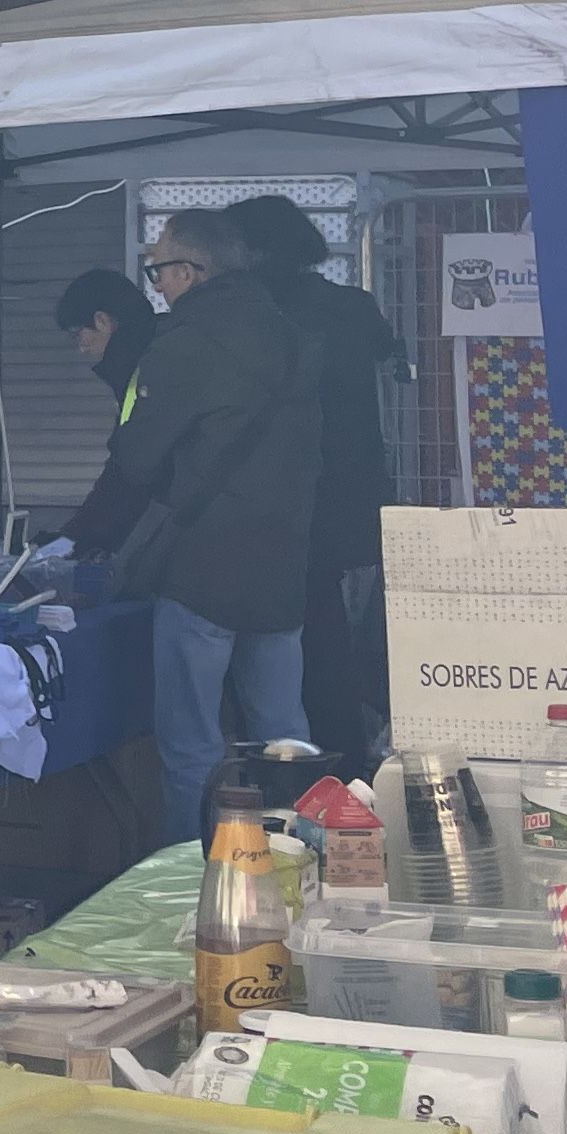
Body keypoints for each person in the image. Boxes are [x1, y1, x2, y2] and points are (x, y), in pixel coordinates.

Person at [61, 207, 320, 835]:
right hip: (284, 563)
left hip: (203, 566)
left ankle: (188, 884)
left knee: (191, 749)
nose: (157, 286)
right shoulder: (293, 336)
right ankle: (306, 866)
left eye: (158, 271)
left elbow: (137, 456)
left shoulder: (180, 344)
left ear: (190, 270)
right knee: (286, 738)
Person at [229, 195, 403, 771]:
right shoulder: (351, 304)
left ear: (252, 249)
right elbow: (387, 358)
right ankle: (347, 752)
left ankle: (316, 767)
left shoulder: (258, 311)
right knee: (330, 629)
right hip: (352, 493)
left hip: (284, 497)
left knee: (291, 641)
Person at [56, 268, 160, 419]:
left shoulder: (151, 374)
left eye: (78, 334)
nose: (82, 348)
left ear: (102, 321)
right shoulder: (152, 358)